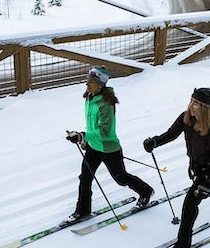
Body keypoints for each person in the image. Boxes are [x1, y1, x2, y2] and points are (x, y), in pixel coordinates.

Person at [143, 87, 210, 248]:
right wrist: (154, 142)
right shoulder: (186, 117)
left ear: (206, 108)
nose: (193, 106)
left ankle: (183, 243)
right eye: (192, 101)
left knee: (190, 204)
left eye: (198, 104)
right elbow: (171, 134)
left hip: (209, 171)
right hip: (196, 167)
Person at [64, 66, 154, 223]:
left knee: (121, 178)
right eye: (87, 80)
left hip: (109, 148)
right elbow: (92, 126)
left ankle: (146, 191)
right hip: (93, 146)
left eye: (91, 82)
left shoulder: (106, 103)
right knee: (85, 178)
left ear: (100, 84)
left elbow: (105, 132)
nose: (87, 84)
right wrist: (85, 140)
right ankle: (83, 211)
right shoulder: (90, 98)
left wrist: (82, 136)